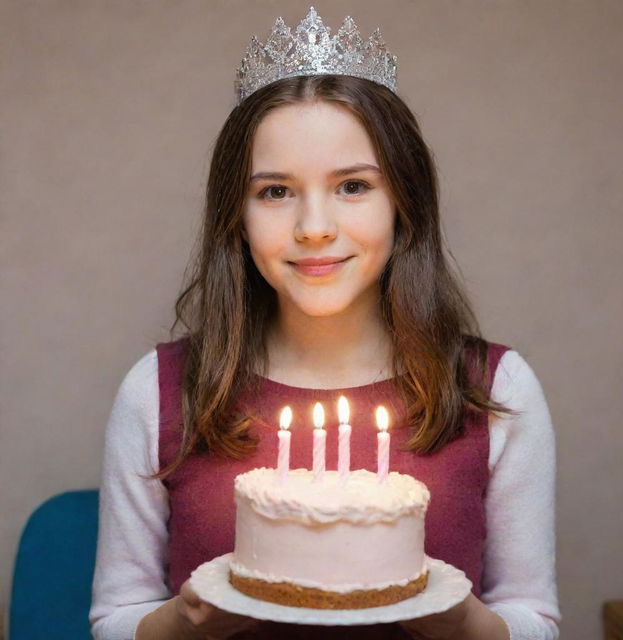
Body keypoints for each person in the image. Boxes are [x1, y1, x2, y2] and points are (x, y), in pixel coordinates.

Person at [90, 8, 560, 640]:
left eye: (353, 186)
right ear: (237, 214)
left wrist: (462, 621)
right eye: (276, 192)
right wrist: (187, 621)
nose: (315, 227)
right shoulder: (158, 391)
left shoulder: (497, 389)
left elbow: (535, 621)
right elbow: (113, 621)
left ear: (404, 202)